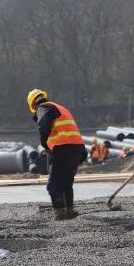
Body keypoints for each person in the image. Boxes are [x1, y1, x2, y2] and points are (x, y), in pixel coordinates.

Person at [27, 89, 87, 220]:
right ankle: (70, 211)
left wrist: (44, 144)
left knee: (53, 185)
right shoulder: (61, 108)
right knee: (66, 182)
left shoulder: (43, 108)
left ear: (33, 105)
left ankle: (60, 214)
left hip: (61, 148)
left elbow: (43, 124)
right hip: (78, 149)